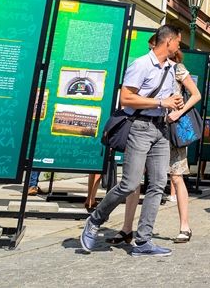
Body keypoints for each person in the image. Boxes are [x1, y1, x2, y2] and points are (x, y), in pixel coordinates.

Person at [81, 24, 183, 256]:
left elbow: (164, 99)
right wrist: (160, 103)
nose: (179, 46)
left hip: (161, 130)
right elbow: (126, 98)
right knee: (129, 183)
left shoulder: (170, 68)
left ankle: (143, 240)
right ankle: (95, 220)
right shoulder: (141, 64)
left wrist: (172, 102)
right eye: (178, 41)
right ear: (167, 41)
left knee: (158, 184)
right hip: (139, 127)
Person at [165, 51, 201, 242]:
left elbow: (196, 95)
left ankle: (184, 226)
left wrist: (179, 113)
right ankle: (129, 227)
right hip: (152, 127)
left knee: (177, 176)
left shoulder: (177, 69)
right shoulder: (148, 67)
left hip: (172, 128)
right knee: (139, 177)